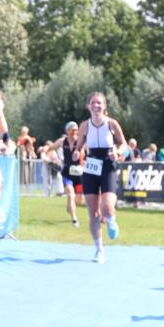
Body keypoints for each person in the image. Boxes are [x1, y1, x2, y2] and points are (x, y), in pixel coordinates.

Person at [73, 93, 127, 263]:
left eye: (99, 103)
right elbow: (79, 146)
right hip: (91, 166)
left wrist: (118, 152)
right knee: (93, 212)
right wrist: (76, 152)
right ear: (88, 106)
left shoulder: (112, 124)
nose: (96, 106)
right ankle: (99, 250)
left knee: (107, 206)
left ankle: (111, 219)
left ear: (104, 106)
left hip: (108, 164)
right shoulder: (84, 126)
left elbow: (124, 145)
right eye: (93, 103)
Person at [53, 121, 83, 227]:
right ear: (67, 131)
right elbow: (51, 148)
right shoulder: (62, 141)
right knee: (71, 194)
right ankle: (74, 219)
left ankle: (69, 206)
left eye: (76, 130)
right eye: (72, 130)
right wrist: (46, 152)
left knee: (78, 201)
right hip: (67, 173)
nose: (74, 132)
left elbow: (89, 151)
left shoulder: (81, 141)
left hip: (79, 175)